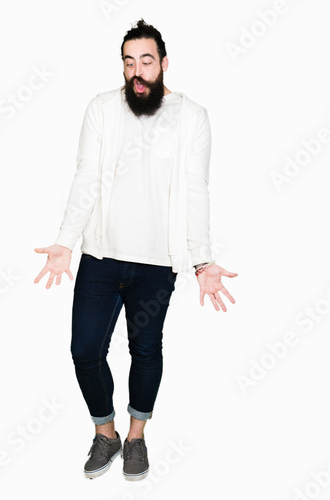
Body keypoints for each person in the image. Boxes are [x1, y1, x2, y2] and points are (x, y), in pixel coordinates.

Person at [34, 19, 237, 481]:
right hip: (101, 257)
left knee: (145, 350)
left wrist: (201, 259)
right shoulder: (102, 109)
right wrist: (65, 241)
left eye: (147, 61)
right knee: (85, 349)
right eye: (129, 62)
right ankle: (105, 433)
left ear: (163, 64)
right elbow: (86, 176)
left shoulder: (193, 117)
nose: (138, 71)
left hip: (157, 264)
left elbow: (195, 189)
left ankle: (136, 438)